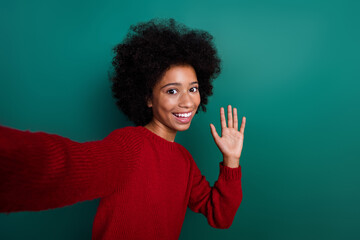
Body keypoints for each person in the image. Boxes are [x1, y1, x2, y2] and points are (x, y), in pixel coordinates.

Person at [0, 18, 246, 239]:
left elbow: (220, 217)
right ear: (148, 98)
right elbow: (66, 167)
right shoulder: (129, 146)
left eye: (193, 88)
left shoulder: (184, 161)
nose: (187, 101)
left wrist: (231, 160)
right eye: (172, 90)